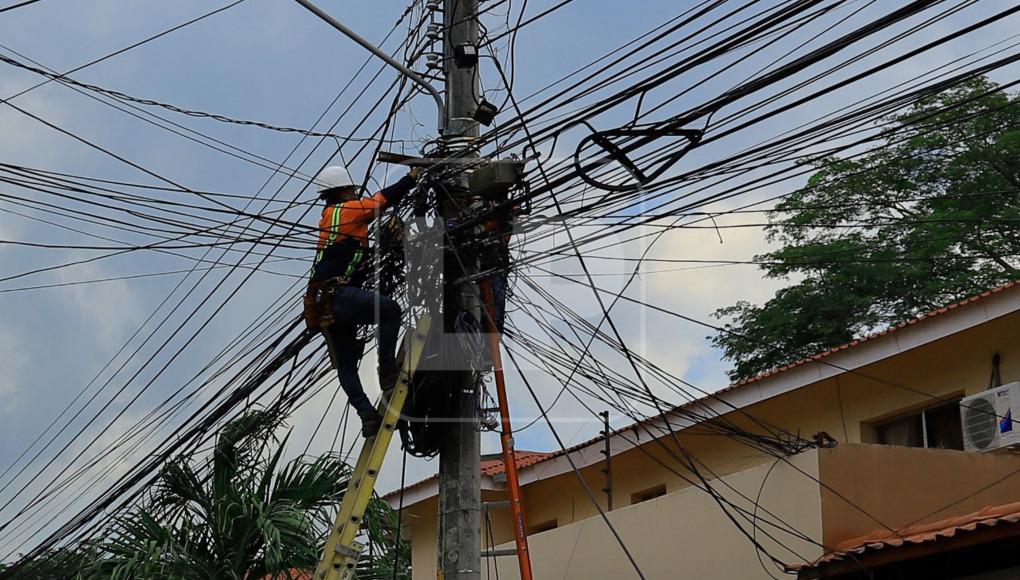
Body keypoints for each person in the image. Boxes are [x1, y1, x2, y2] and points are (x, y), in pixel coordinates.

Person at [305, 164, 418, 437]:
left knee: (346, 364)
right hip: (337, 294)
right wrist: (411, 179)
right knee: (389, 311)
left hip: (322, 303)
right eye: (352, 190)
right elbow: (379, 202)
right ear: (344, 191)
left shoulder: (330, 217)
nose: (356, 194)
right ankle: (387, 372)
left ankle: (367, 416)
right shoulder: (346, 210)